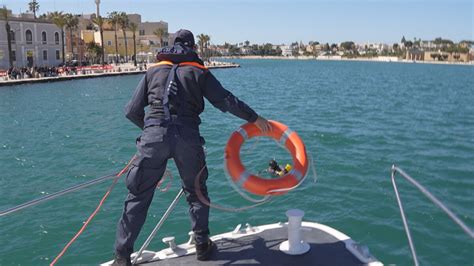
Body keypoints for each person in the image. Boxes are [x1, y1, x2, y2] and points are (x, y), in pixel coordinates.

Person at [113, 29, 270, 266]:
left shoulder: (152, 71)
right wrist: (254, 118)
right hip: (188, 138)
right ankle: (202, 246)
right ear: (192, 47)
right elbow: (225, 101)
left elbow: (131, 111)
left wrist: (151, 131)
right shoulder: (199, 72)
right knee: (196, 193)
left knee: (138, 196)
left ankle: (122, 257)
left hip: (153, 138)